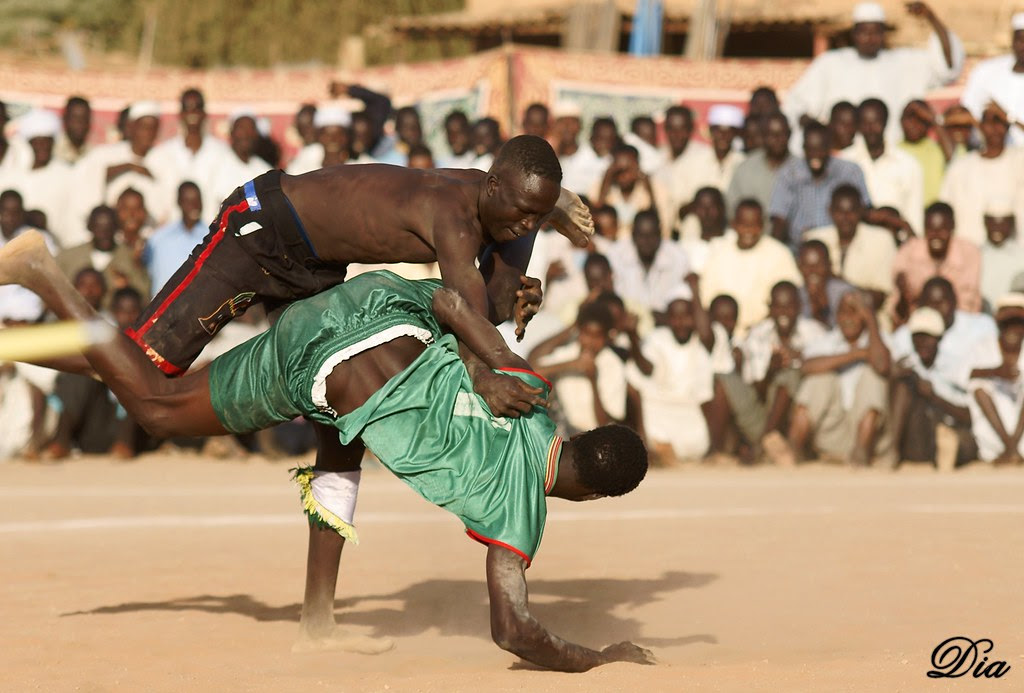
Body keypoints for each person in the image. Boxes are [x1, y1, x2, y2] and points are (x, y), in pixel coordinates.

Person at [0, 234, 653, 672]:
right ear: (595, 494)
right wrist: (598, 659)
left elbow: (452, 300)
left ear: (584, 437)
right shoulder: (519, 516)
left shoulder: (532, 393)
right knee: (155, 405)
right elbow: (513, 630)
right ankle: (43, 276)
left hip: (375, 308)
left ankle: (318, 615)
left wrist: (493, 360)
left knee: (339, 445)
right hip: (322, 366)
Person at [783, 2, 963, 142]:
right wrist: (818, 129)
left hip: (891, 157)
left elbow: (947, 67)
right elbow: (796, 105)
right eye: (864, 32)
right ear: (854, 33)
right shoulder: (831, 63)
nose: (870, 38)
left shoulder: (903, 61)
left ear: (884, 33)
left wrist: (931, 18)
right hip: (844, 156)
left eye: (876, 32)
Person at [776, 290, 891, 466]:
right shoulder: (826, 341)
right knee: (819, 379)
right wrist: (856, 354)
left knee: (873, 376)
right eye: (843, 312)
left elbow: (882, 365)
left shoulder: (880, 341)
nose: (848, 318)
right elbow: (806, 367)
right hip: (832, 433)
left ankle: (861, 454)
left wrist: (870, 319)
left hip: (869, 438)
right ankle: (794, 449)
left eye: (855, 312)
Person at [721, 281, 828, 462]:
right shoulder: (757, 336)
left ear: (800, 307)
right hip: (764, 414)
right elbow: (755, 394)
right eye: (778, 307)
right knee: (723, 379)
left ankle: (765, 446)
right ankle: (736, 447)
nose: (784, 313)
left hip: (800, 418)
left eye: (789, 307)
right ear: (770, 308)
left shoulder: (816, 334)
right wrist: (770, 372)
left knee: (791, 374)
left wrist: (799, 360)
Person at [625, 279, 716, 464]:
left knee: (695, 445)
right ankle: (650, 449)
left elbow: (705, 397)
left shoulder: (701, 344)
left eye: (686, 316)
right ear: (668, 319)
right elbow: (646, 369)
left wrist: (695, 290)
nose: (681, 322)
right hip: (658, 408)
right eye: (675, 317)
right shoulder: (657, 339)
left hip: (689, 412)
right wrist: (633, 337)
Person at [887, 306, 976, 470]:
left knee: (964, 442)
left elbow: (969, 415)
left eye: (928, 337)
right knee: (902, 386)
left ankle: (945, 451)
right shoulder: (906, 364)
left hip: (951, 426)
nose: (921, 343)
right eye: (917, 337)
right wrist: (893, 378)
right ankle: (893, 451)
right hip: (918, 430)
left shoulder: (955, 366)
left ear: (940, 338)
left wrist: (934, 397)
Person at [701, 199, 800, 334]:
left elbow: (789, 299)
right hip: (721, 331)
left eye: (754, 225)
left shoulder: (779, 253)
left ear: (763, 226)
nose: (749, 231)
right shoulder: (719, 251)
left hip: (765, 332)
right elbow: (706, 298)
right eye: (744, 225)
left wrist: (756, 330)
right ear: (734, 224)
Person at [768, 122, 872, 250]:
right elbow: (779, 218)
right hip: (799, 247)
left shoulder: (849, 171)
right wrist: (775, 250)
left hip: (840, 245)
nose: (815, 154)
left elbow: (865, 210)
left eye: (820, 148)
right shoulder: (788, 174)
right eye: (811, 149)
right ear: (803, 148)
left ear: (830, 147)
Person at [531, 300, 627, 436]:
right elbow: (533, 371)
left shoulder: (613, 364)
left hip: (596, 436)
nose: (590, 342)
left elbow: (604, 423)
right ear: (579, 332)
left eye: (597, 336)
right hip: (563, 432)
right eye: (587, 334)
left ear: (606, 337)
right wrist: (571, 364)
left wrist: (592, 379)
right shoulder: (569, 353)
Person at [69, 101, 164, 232]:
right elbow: (91, 182)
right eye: (144, 127)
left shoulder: (164, 158)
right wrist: (128, 167)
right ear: (131, 127)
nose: (148, 133)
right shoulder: (105, 154)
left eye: (153, 128)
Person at [938, 102, 1024, 246]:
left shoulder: (1019, 159)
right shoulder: (960, 167)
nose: (994, 128)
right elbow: (944, 211)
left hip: (1016, 257)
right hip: (969, 254)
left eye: (999, 122)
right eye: (988, 122)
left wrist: (1010, 117)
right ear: (980, 126)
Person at [841, 98, 924, 234]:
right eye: (865, 123)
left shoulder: (908, 164)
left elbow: (914, 214)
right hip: (857, 242)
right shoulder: (844, 161)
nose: (870, 129)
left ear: (886, 123)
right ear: (858, 125)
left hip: (897, 242)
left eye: (876, 122)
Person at [149, 88, 232, 224]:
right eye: (188, 108)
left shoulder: (222, 152)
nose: (192, 112)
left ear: (204, 113)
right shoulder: (163, 154)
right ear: (180, 114)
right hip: (174, 232)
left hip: (211, 233)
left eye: (197, 107)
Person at [804, 184, 897, 306]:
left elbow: (880, 297)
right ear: (830, 211)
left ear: (861, 211)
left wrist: (838, 284)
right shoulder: (815, 239)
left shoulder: (881, 240)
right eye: (840, 211)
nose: (845, 218)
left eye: (851, 211)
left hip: (869, 318)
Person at [891, 202, 981, 319]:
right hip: (917, 322)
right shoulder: (907, 252)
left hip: (959, 322)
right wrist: (903, 294)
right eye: (931, 230)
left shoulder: (969, 253)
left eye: (942, 229)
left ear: (952, 227)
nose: (936, 235)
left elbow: (968, 303)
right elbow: (897, 311)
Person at [966, 297, 1024, 464]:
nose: (1012, 329)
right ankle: (1009, 447)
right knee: (978, 385)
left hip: (1020, 425)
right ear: (999, 325)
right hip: (994, 428)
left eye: (1017, 323)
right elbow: (966, 375)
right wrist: (996, 372)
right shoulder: (983, 346)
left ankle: (1012, 449)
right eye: (1007, 324)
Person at [56, 205, 149, 306]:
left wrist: (127, 286)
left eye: (109, 228)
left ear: (117, 227)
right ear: (90, 227)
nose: (104, 233)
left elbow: (144, 295)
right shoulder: (68, 257)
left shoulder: (130, 257)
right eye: (99, 228)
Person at [13, 109, 77, 248]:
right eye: (37, 142)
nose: (42, 147)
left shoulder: (67, 174)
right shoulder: (13, 175)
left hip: (55, 246)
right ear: (29, 144)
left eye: (46, 142)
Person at [608, 209, 690, 317]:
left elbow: (681, 295)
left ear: (660, 234)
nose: (646, 241)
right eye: (641, 235)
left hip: (666, 323)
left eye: (652, 235)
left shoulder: (677, 256)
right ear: (633, 235)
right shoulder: (615, 255)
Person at [959, 13, 1024, 147]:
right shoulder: (986, 70)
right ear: (1012, 40)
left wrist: (1006, 117)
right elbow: (968, 114)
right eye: (1020, 40)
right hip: (986, 154)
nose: (1023, 46)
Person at [656, 105, 717, 238]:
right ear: (665, 130)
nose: (677, 135)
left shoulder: (705, 156)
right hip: (661, 231)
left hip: (692, 230)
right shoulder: (658, 157)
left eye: (682, 129)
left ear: (691, 130)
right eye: (672, 129)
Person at [726, 112, 792, 225]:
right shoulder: (745, 168)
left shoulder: (802, 169)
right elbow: (731, 209)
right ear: (763, 136)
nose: (777, 139)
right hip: (751, 237)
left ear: (789, 135)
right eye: (771, 134)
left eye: (781, 134)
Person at [143, 182, 207, 297]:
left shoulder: (212, 236)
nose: (194, 205)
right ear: (179, 202)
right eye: (188, 201)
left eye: (197, 200)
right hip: (163, 309)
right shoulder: (159, 238)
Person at [592, 144, 664, 239]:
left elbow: (662, 228)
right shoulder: (598, 188)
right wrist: (605, 185)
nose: (623, 176)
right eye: (619, 171)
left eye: (628, 170)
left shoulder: (658, 189)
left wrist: (650, 191)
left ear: (638, 167)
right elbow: (592, 225)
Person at [203, 111, 273, 209]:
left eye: (250, 129)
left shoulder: (264, 170)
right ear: (231, 132)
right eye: (241, 129)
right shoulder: (215, 162)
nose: (246, 135)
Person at [897, 100, 949, 205]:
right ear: (901, 121)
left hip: (935, 216)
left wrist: (933, 120)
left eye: (920, 120)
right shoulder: (894, 152)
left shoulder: (938, 149)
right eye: (909, 118)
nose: (914, 125)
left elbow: (953, 157)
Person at [796, 240, 854, 328]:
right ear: (799, 267)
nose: (813, 271)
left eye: (818, 265)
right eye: (807, 266)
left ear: (829, 265)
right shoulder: (796, 296)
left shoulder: (844, 293)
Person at [979, 205, 1023, 311]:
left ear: (1011, 224)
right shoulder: (976, 254)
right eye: (993, 223)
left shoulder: (1021, 256)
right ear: (985, 223)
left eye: (1003, 223)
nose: (997, 228)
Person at [705, 104, 745, 192]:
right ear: (711, 132)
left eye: (728, 132)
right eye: (719, 131)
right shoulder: (697, 160)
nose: (723, 136)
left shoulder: (742, 163)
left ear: (735, 134)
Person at [55, 96, 92, 165]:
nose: (79, 123)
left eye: (84, 118)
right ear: (65, 119)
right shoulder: (53, 151)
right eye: (75, 118)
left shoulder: (92, 153)